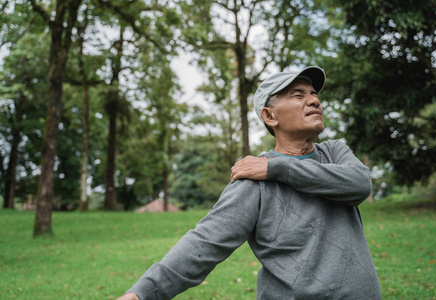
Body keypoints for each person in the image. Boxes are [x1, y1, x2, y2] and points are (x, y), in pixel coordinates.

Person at [117, 66, 381, 300]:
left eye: (314, 94)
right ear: (270, 116)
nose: (314, 101)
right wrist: (141, 294)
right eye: (299, 95)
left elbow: (359, 184)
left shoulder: (333, 153)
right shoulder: (253, 182)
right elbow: (205, 242)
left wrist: (277, 168)